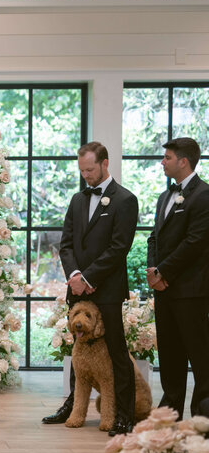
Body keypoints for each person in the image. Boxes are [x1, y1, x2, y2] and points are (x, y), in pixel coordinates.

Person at [42, 142, 138, 436]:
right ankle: (73, 406)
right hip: (77, 288)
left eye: (91, 169)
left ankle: (124, 413)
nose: (86, 175)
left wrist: (89, 277)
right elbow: (66, 243)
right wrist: (74, 275)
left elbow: (119, 248)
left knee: (116, 352)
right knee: (78, 350)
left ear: (105, 164)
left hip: (106, 289)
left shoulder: (125, 200)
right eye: (82, 170)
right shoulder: (77, 199)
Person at [146, 137, 209, 420]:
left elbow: (195, 242)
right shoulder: (163, 197)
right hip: (164, 288)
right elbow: (153, 238)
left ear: (183, 161)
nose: (163, 162)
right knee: (169, 353)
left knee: (199, 354)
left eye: (167, 158)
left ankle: (201, 414)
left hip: (191, 290)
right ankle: (170, 411)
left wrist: (164, 272)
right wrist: (152, 272)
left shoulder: (204, 195)